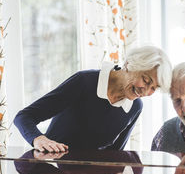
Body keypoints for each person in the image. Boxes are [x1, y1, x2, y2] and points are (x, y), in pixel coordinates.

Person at [14, 46, 172, 152]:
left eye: (154, 88)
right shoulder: (84, 82)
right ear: (129, 64)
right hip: (53, 171)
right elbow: (24, 117)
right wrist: (38, 138)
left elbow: (115, 155)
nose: (146, 91)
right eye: (146, 80)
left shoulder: (135, 107)